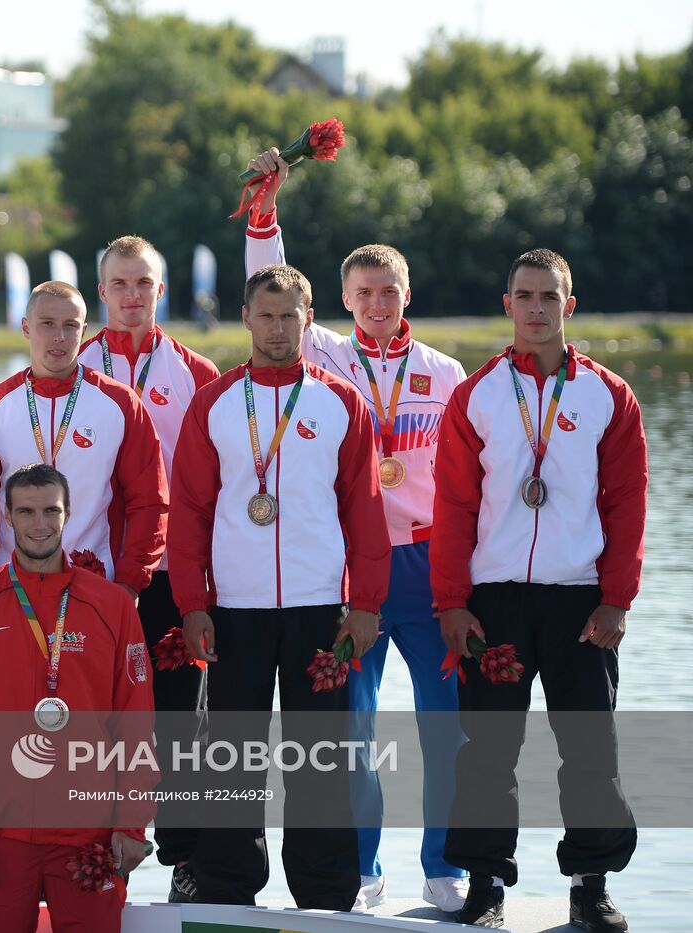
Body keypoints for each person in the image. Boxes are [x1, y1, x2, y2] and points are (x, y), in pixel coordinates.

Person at [243, 147, 471, 912]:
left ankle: (447, 867)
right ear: (339, 300)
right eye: (364, 292)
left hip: (433, 567)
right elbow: (271, 282)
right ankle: (364, 869)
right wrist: (265, 215)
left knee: (446, 730)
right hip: (356, 571)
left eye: (389, 291)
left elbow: (478, 482)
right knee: (352, 735)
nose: (377, 303)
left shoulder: (445, 374)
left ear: (409, 294)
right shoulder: (327, 357)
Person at [430, 249, 643, 931]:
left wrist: (618, 596)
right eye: (524, 295)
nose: (536, 308)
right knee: (488, 749)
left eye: (549, 296)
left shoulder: (608, 393)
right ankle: (486, 883)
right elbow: (454, 505)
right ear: (507, 304)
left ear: (569, 306)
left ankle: (591, 882)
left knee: (589, 747)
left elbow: (628, 503)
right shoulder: (477, 394)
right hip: (495, 601)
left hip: (581, 598)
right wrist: (452, 601)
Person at [170, 263, 390, 909]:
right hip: (234, 608)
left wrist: (368, 605)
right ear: (246, 317)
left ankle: (325, 897)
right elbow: (188, 513)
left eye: (288, 315)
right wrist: (192, 603)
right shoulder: (213, 402)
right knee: (231, 758)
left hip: (319, 607)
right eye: (265, 314)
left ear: (309, 318)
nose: (276, 327)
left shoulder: (339, 399)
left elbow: (366, 513)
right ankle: (228, 890)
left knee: (319, 758)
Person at [0, 464, 155, 931]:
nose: (39, 524)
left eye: (51, 511)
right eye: (26, 512)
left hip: (87, 837)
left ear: (68, 514)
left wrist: (131, 824)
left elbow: (136, 721)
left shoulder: (111, 606)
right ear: (6, 517)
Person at [75, 236, 219, 897]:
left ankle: (186, 859)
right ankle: (86, 857)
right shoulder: (71, 365)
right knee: (86, 719)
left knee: (177, 719)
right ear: (100, 291)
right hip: (87, 575)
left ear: (162, 291)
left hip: (167, 576)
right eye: (120, 283)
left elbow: (215, 483)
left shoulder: (197, 373)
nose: (133, 295)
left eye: (144, 283)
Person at [0, 280, 167, 597]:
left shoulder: (120, 403)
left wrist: (131, 581)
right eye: (47, 324)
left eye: (70, 325)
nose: (59, 337)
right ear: (25, 327)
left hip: (96, 583)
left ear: (85, 329)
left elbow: (150, 501)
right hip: (10, 588)